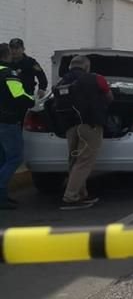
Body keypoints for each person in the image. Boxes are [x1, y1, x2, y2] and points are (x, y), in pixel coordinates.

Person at [49, 54, 113, 210]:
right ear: (86, 66)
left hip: (70, 126)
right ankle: (70, 196)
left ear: (70, 66)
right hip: (90, 125)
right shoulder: (96, 79)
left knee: (74, 160)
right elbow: (109, 97)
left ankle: (81, 193)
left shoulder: (62, 81)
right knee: (84, 161)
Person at [0, 43, 35, 210]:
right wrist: (32, 101)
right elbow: (19, 95)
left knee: (2, 158)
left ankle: (3, 194)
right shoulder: (8, 73)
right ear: (7, 55)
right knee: (14, 157)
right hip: (7, 120)